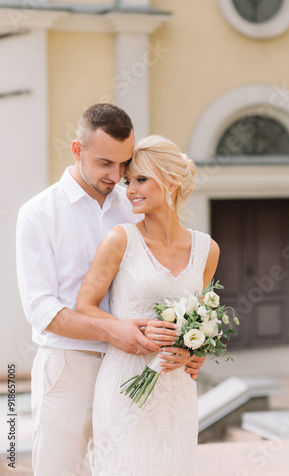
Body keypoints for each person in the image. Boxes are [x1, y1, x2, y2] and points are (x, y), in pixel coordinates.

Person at [16, 104, 204, 476]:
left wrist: (190, 346)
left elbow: (169, 281)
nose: (117, 175)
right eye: (105, 163)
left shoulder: (135, 205)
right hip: (68, 366)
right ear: (77, 150)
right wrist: (114, 329)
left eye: (124, 165)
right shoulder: (38, 213)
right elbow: (40, 309)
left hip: (134, 370)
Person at [76, 135, 220, 476]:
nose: (130, 190)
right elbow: (85, 306)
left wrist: (195, 353)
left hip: (177, 392)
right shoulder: (120, 239)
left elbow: (201, 322)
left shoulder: (206, 249)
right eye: (129, 182)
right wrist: (125, 328)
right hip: (124, 386)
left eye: (141, 179)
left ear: (171, 182)